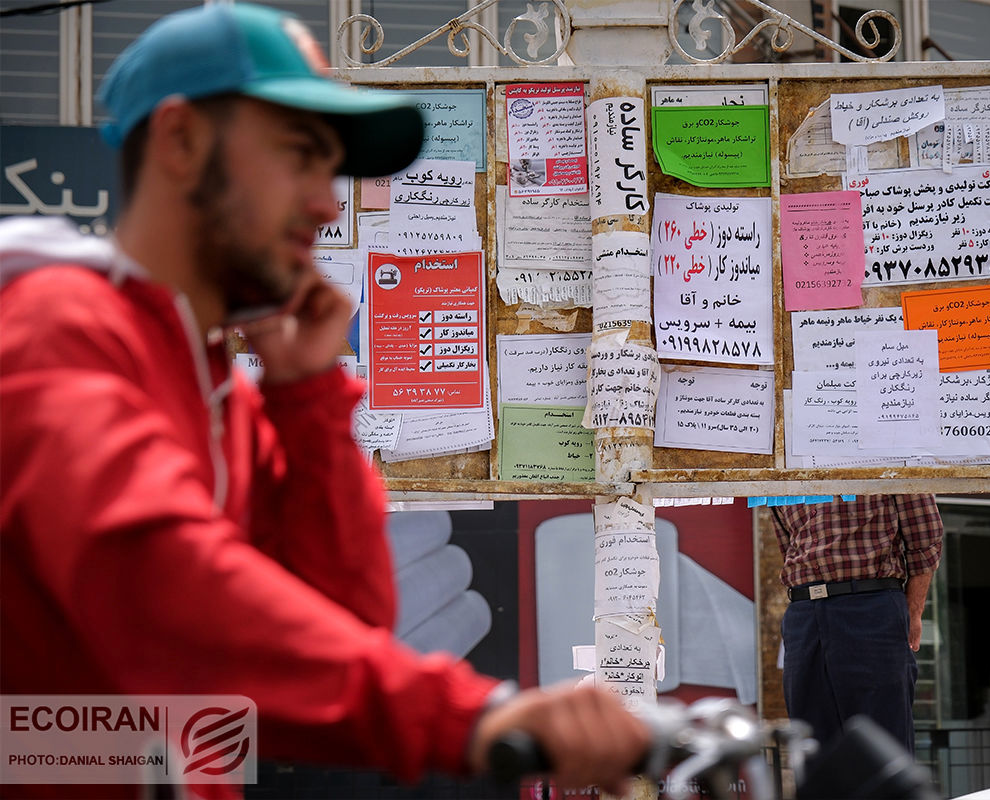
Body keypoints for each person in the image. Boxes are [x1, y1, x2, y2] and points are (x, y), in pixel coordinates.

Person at [0, 4, 647, 798]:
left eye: (332, 171)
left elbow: (348, 624)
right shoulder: (57, 331)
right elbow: (163, 590)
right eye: (298, 157)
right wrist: (470, 719)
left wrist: (308, 399)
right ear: (180, 141)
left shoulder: (218, 389)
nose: (327, 204)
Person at [771, 494, 944, 754]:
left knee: (881, 746)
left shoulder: (885, 454)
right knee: (811, 746)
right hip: (804, 611)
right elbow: (788, 545)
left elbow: (925, 537)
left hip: (870, 605)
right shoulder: (784, 467)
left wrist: (913, 611)